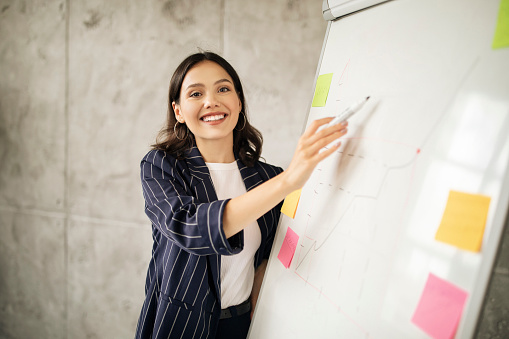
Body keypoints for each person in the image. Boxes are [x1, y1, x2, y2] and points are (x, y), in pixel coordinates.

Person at [135, 51, 348, 339]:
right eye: (196, 93)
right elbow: (189, 228)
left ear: (238, 102)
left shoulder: (268, 177)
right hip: (179, 326)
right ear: (179, 112)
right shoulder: (161, 165)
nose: (211, 101)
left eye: (223, 89)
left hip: (243, 325)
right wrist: (289, 181)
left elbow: (269, 253)